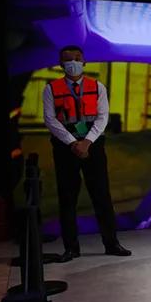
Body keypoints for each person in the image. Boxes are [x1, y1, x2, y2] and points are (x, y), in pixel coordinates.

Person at [42, 45, 131, 261]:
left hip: (94, 146)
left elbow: (102, 117)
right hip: (65, 148)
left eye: (77, 58)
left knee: (101, 195)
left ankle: (111, 243)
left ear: (84, 62)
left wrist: (87, 142)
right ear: (61, 64)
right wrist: (73, 143)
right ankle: (71, 248)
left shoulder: (97, 86)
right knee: (67, 198)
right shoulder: (51, 89)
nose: (73, 62)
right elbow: (50, 120)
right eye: (68, 59)